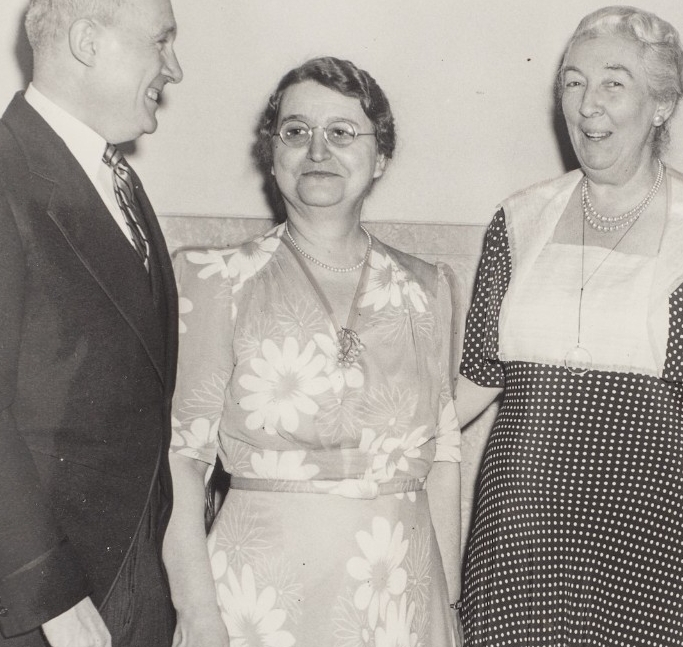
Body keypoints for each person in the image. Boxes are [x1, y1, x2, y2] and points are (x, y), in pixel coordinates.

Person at [455, 5, 683, 647]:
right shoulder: (520, 220)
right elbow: (474, 385)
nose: (587, 104)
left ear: (661, 104)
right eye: (572, 82)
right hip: (520, 537)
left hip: (654, 543)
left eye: (612, 83)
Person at [162, 57, 462, 647]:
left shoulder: (427, 288)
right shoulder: (216, 279)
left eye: (342, 133)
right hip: (260, 603)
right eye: (296, 131)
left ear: (381, 158)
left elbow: (444, 457)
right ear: (272, 153)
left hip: (398, 596)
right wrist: (197, 613)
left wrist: (444, 604)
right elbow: (181, 460)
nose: (317, 150)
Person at [0, 0, 183, 647]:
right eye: (161, 40)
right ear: (87, 42)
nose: (175, 69)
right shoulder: (6, 169)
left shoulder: (117, 177)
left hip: (128, 577)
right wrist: (49, 592)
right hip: (43, 599)